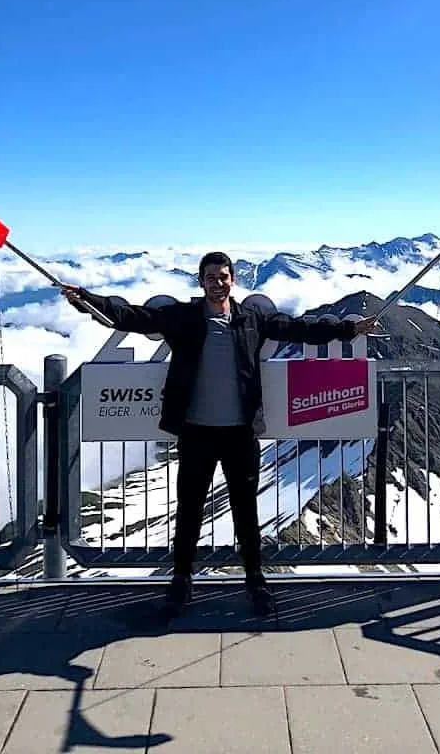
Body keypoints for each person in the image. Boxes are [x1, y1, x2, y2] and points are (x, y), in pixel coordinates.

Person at [62, 251, 378, 616]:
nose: (218, 282)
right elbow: (132, 315)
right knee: (190, 510)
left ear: (233, 280)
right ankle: (181, 580)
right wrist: (86, 300)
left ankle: (255, 580)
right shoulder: (183, 317)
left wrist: (349, 329)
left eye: (224, 276)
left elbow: (299, 329)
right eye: (211, 277)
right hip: (196, 432)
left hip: (239, 433)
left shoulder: (252, 319)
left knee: (246, 511)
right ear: (201, 281)